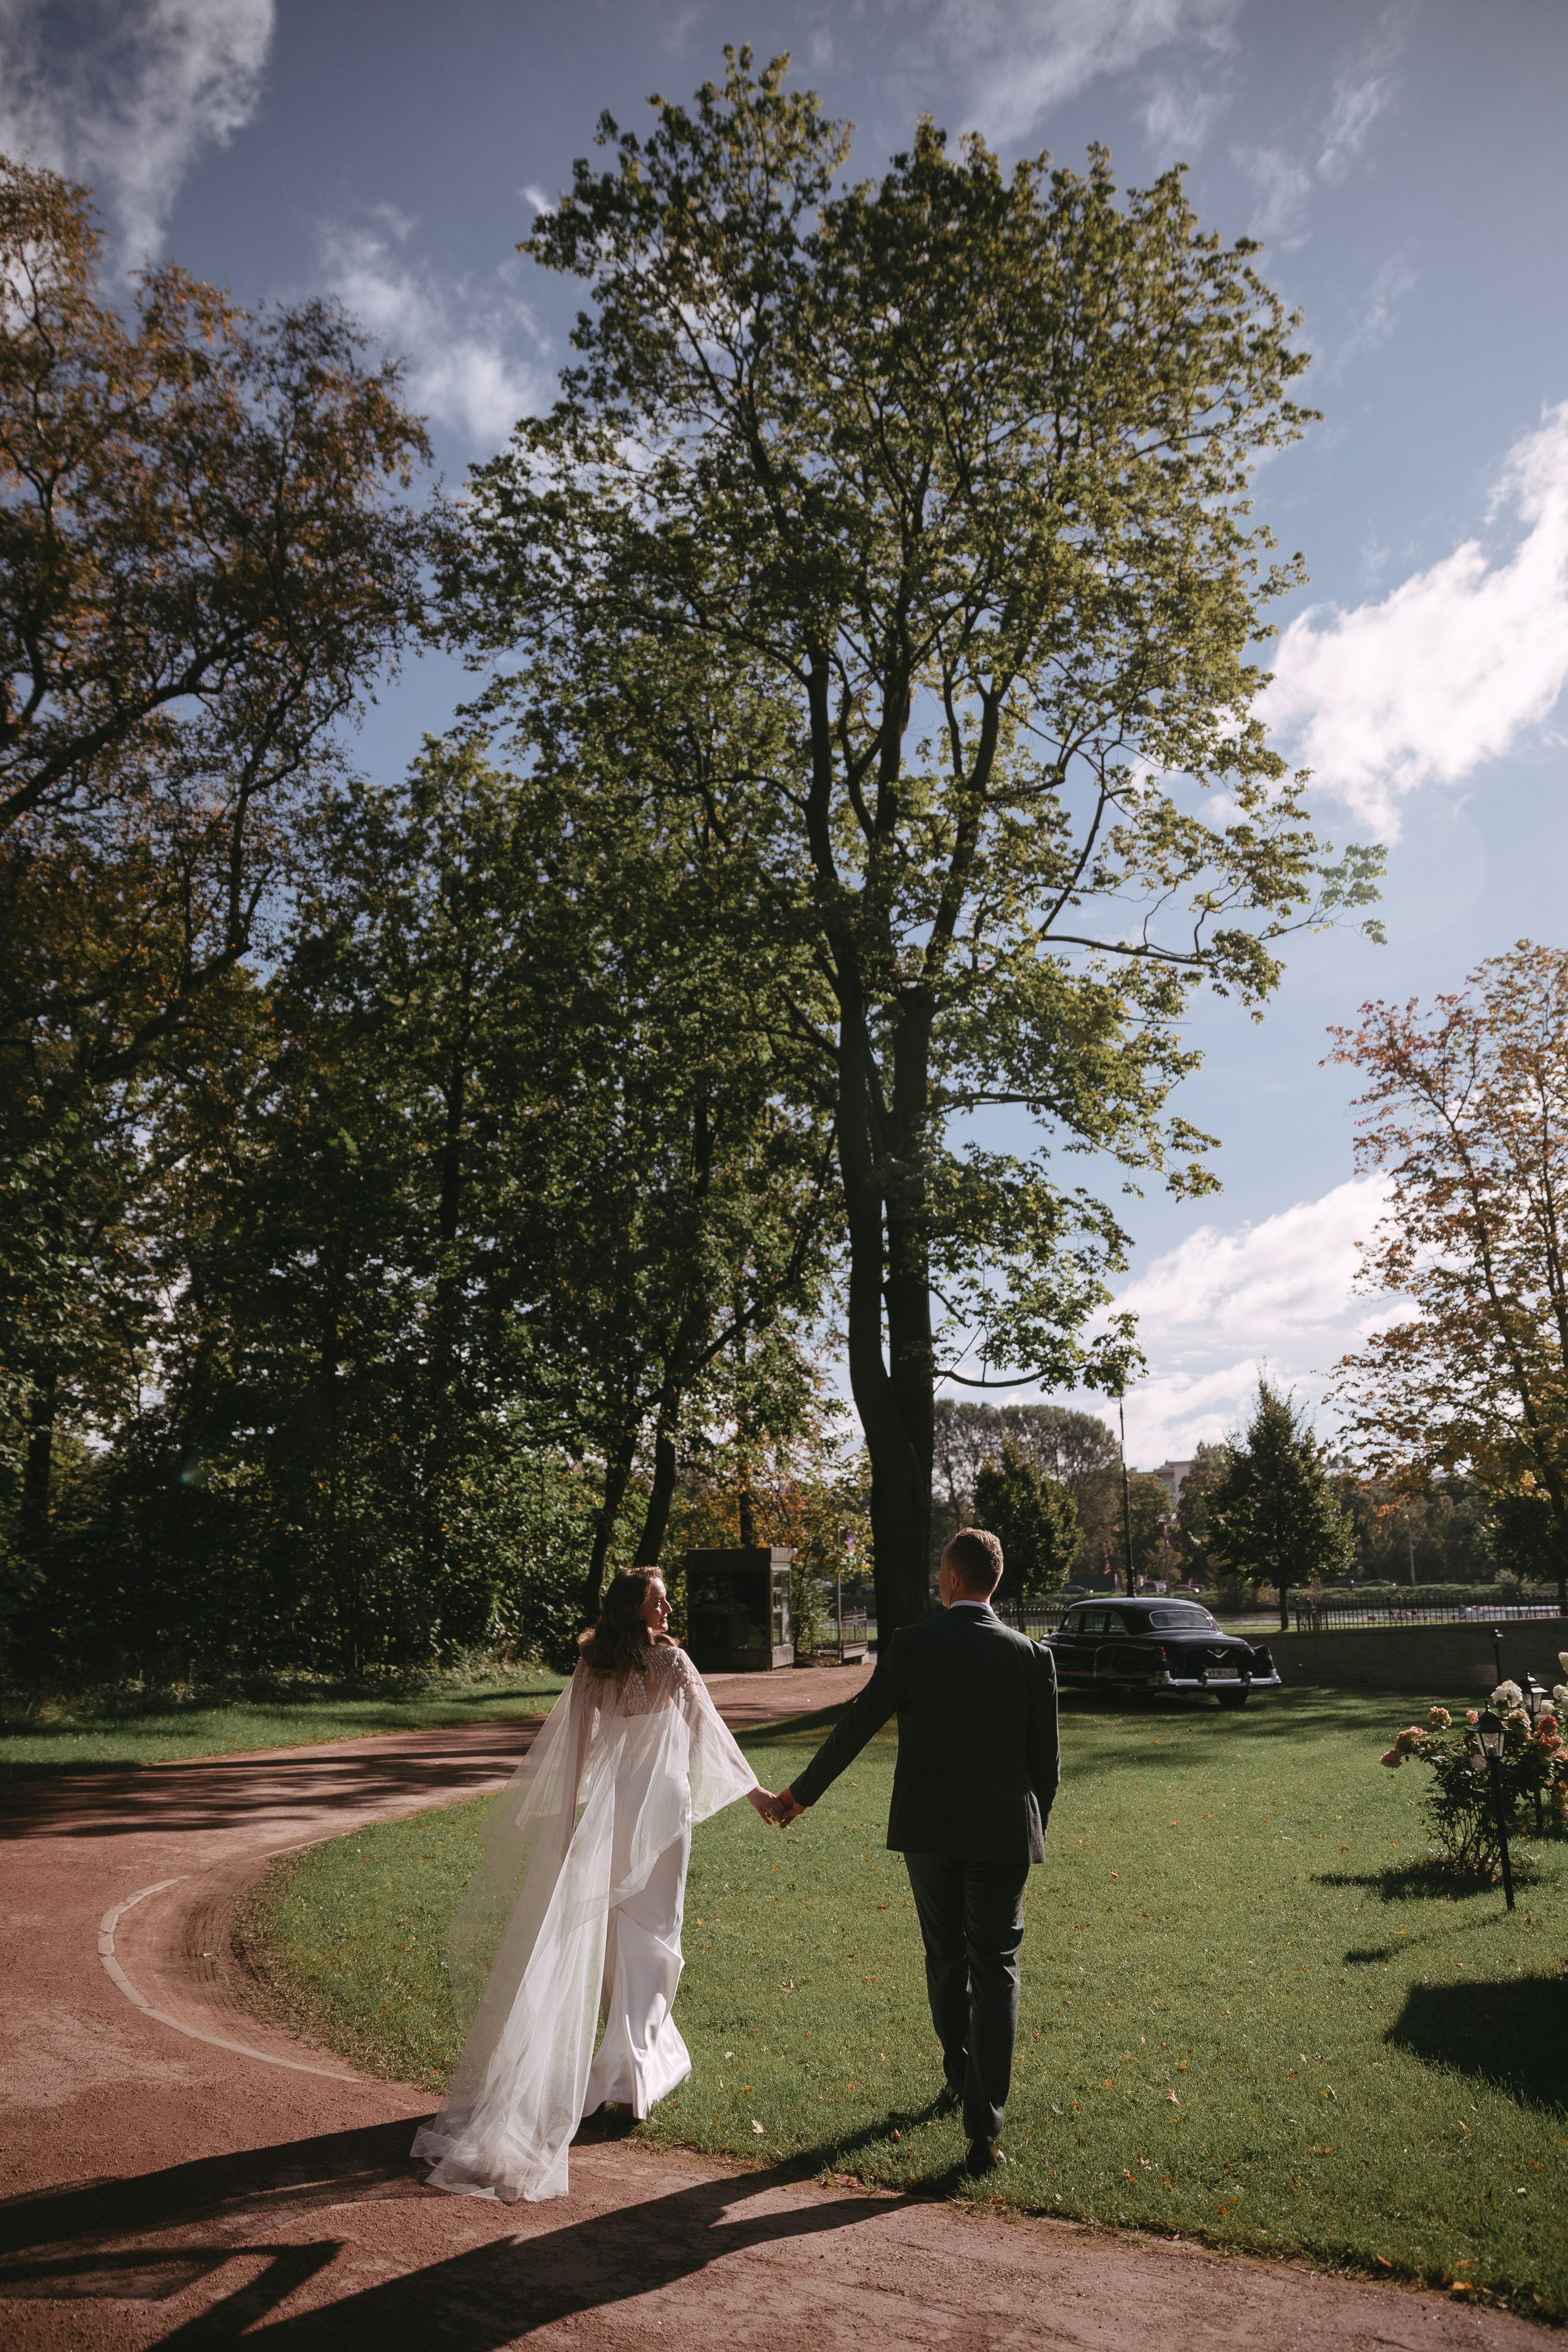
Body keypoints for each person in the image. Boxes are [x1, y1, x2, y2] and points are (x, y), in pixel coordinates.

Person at [413, 1566, 782, 2202]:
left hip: (613, 1813)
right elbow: (709, 1733)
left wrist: (565, 1829)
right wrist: (758, 1797)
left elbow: (576, 1755)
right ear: (635, 1609)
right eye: (658, 1600)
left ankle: (624, 2066)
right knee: (654, 1930)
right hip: (660, 1812)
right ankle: (629, 2074)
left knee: (624, 1932)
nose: (668, 1608)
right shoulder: (669, 1665)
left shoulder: (596, 1665)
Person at [764, 1528, 1058, 2176]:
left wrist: (798, 1796)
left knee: (946, 1954)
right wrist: (1030, 1831)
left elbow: (856, 1724)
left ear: (951, 1579)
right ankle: (985, 2130)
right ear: (994, 1581)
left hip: (929, 1831)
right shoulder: (1031, 1657)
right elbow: (1047, 1771)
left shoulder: (914, 1646)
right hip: (1006, 1834)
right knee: (997, 1966)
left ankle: (959, 2073)